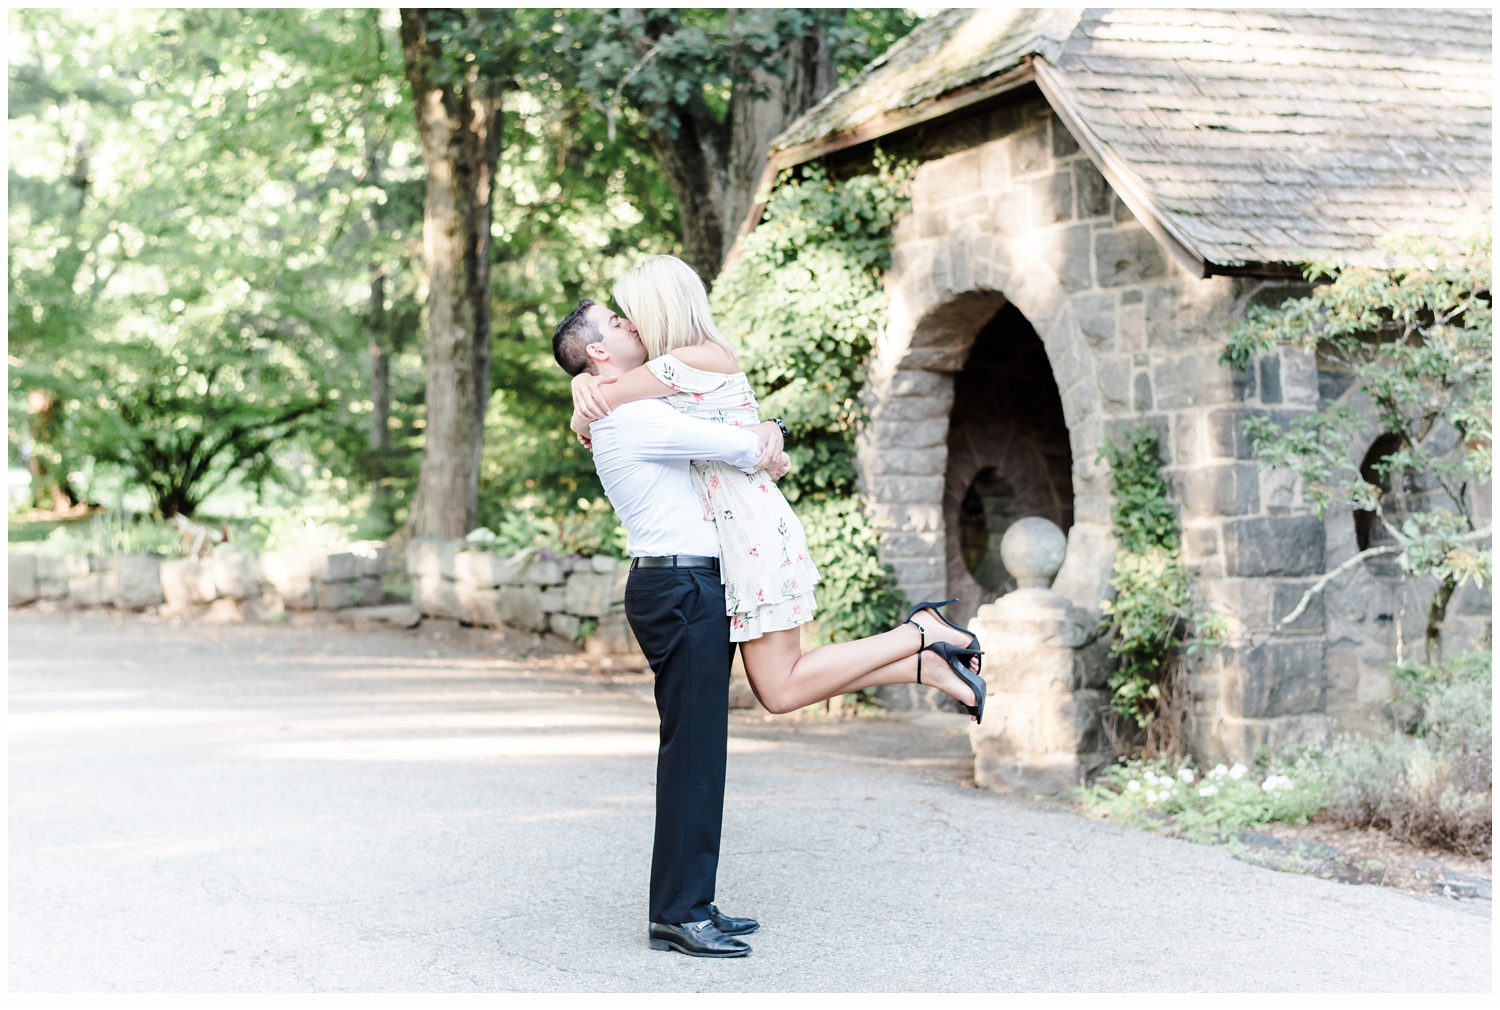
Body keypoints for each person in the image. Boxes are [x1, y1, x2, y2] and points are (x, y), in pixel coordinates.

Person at [568, 255, 985, 718]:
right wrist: (584, 389)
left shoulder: (684, 362)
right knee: (780, 690)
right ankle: (923, 663)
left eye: (630, 313)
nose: (629, 326)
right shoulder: (687, 362)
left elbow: (601, 402)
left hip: (752, 529)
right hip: (743, 527)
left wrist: (581, 391)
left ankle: (919, 633)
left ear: (658, 309)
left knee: (782, 687)